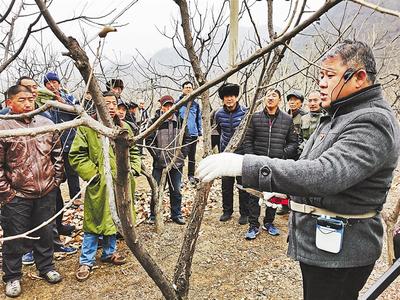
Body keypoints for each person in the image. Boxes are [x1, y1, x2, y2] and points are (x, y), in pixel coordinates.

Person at [197, 40, 400, 300]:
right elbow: (308, 168)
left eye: (330, 75)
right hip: (325, 247)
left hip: (341, 254)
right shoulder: (340, 114)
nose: (322, 83)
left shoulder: (371, 120)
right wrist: (284, 193)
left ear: (359, 77)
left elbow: (325, 174)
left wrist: (244, 164)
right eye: (320, 75)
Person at [69, 91, 141, 281]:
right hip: (99, 184)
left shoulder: (124, 127)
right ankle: (86, 260)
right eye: (105, 102)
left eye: (113, 103)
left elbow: (134, 152)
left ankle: (109, 253)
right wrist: (94, 175)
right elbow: (76, 155)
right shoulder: (88, 127)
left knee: (115, 218)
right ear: (97, 104)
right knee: (94, 221)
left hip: (122, 183)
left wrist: (132, 170)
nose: (110, 106)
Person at [0, 85, 64, 297]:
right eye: (22, 99)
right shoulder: (3, 126)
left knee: (46, 232)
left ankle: (46, 267)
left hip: (46, 190)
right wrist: (8, 192)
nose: (28, 104)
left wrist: (55, 181)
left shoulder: (46, 123)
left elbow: (57, 155)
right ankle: (12, 276)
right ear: (9, 103)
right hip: (17, 194)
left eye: (31, 99)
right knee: (14, 236)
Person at [243, 88, 298, 240]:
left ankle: (269, 222)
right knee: (254, 194)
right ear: (264, 99)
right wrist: (252, 158)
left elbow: (293, 143)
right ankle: (253, 225)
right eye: (268, 95)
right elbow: (248, 140)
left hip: (276, 164)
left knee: (274, 195)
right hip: (257, 163)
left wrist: (281, 155)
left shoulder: (287, 119)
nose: (270, 98)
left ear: (279, 100)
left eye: (274, 95)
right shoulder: (255, 117)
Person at [43, 72, 79, 238]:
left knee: (72, 172)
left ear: (59, 83)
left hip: (68, 142)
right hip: (50, 148)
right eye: (48, 83)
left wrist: (60, 100)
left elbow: (77, 111)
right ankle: (56, 225)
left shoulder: (68, 96)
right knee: (55, 181)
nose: (52, 85)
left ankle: (75, 198)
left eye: (54, 82)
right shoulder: (42, 99)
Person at [145, 95, 187, 225]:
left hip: (177, 163)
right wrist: (157, 156)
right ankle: (153, 215)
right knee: (156, 190)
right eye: (165, 106)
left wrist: (182, 154)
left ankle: (176, 214)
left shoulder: (180, 121)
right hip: (160, 164)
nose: (168, 108)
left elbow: (188, 139)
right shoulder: (155, 122)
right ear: (161, 107)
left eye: (170, 106)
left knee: (176, 190)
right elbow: (148, 141)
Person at [214, 83, 249, 225]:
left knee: (242, 185)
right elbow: (217, 132)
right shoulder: (218, 114)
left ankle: (244, 213)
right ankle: (227, 211)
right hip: (226, 154)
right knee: (226, 185)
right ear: (223, 98)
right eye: (226, 96)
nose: (229, 99)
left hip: (242, 155)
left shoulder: (245, 112)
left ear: (236, 97)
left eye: (232, 96)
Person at [176, 81, 202, 184]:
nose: (188, 89)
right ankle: (179, 178)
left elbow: (198, 119)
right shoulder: (178, 103)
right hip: (182, 135)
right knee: (181, 156)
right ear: (182, 89)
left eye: (190, 87)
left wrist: (199, 132)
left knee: (192, 156)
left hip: (193, 134)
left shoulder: (195, 104)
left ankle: (191, 175)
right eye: (186, 87)